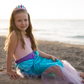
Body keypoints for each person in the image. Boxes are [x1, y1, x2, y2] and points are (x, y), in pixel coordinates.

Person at [4, 5, 84, 84]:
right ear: (13, 22)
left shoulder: (27, 35)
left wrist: (50, 56)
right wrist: (9, 70)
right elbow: (9, 53)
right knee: (55, 67)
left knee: (58, 62)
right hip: (28, 67)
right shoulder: (15, 34)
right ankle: (73, 80)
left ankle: (77, 75)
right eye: (19, 21)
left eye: (25, 20)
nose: (23, 23)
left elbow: (37, 51)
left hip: (37, 60)